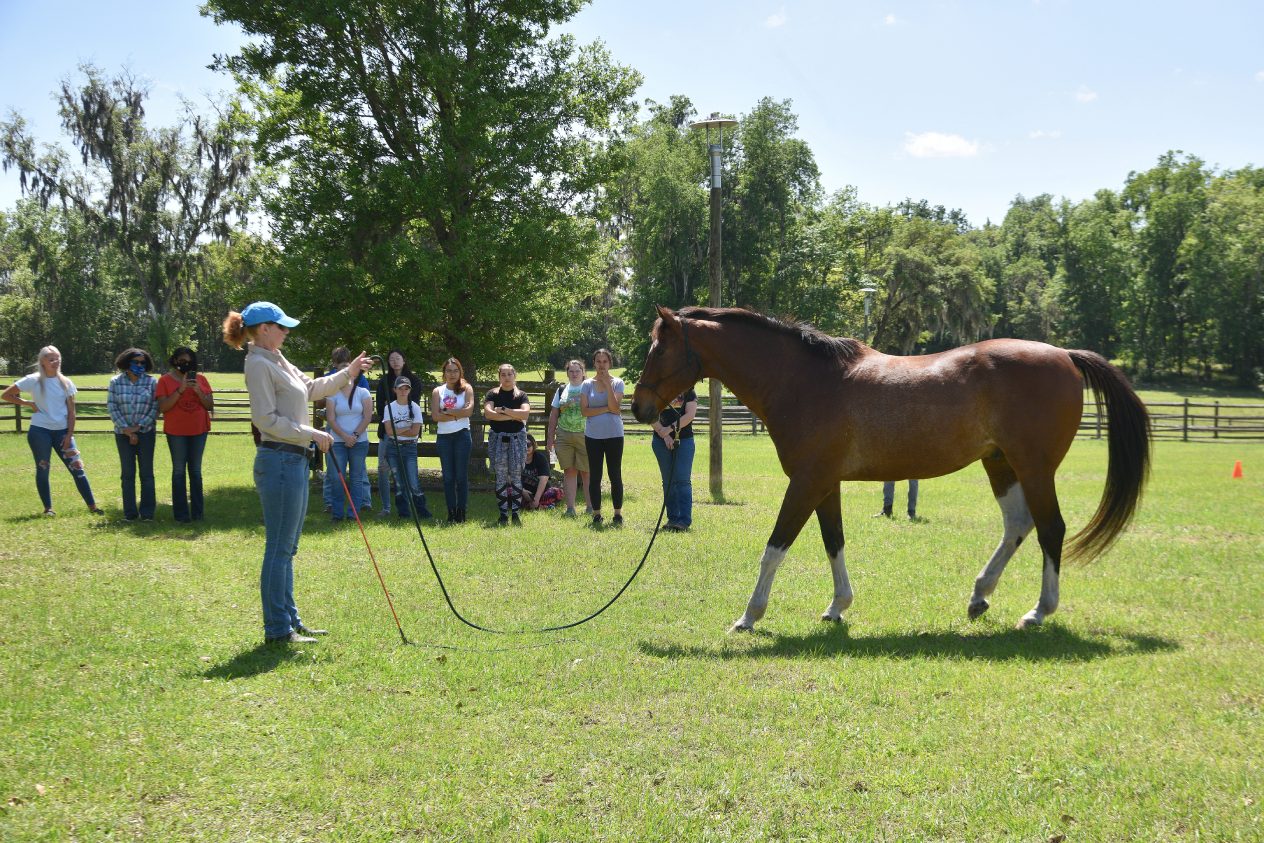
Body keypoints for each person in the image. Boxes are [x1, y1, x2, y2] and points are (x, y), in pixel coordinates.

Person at [223, 301, 371, 645]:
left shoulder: (277, 358)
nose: (287, 332)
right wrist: (313, 433)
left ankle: (290, 620)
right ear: (263, 329)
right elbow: (266, 420)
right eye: (281, 327)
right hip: (278, 461)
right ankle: (277, 629)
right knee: (278, 548)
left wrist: (348, 373)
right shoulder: (258, 364)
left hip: (293, 460)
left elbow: (312, 388)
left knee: (287, 548)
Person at [1, 346, 105, 517]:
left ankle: (93, 507)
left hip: (62, 432)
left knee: (77, 468)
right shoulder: (32, 380)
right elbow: (6, 395)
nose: (55, 362)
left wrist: (69, 435)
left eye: (58, 359)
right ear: (42, 361)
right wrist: (28, 403)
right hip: (40, 432)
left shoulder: (66, 382)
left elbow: (72, 412)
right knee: (43, 469)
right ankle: (48, 509)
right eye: (51, 359)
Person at [154, 346, 214, 523]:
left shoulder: (201, 379)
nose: (185, 364)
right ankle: (181, 515)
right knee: (179, 471)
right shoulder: (164, 380)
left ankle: (197, 514)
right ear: (174, 361)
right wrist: (180, 390)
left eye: (188, 361)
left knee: (195, 471)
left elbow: (209, 405)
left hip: (199, 431)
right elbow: (163, 407)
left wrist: (198, 391)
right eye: (181, 361)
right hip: (176, 432)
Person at [107, 347, 158, 521]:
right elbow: (112, 407)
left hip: (146, 433)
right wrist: (126, 429)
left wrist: (139, 427)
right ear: (126, 363)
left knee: (146, 473)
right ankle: (130, 513)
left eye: (142, 362)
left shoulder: (152, 383)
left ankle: (147, 513)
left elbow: (155, 408)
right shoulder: (115, 382)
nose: (139, 365)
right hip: (122, 434)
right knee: (127, 474)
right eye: (135, 362)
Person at [375, 350, 424, 518]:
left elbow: (413, 405)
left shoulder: (414, 380)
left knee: (409, 474)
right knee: (383, 468)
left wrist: (399, 424)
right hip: (387, 433)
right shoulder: (384, 381)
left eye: (398, 358)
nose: (395, 362)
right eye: (391, 359)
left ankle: (413, 508)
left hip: (409, 437)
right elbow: (380, 406)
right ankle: (386, 507)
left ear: (404, 360)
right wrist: (395, 420)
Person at [324, 358, 374, 521]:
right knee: (336, 478)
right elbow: (331, 418)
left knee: (356, 478)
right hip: (337, 442)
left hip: (359, 443)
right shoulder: (332, 394)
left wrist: (355, 436)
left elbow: (367, 417)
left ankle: (354, 514)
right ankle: (337, 514)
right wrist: (345, 436)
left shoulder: (363, 393)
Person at [580, 348, 625, 527]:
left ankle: (617, 513)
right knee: (595, 475)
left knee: (615, 474)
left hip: (614, 435)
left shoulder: (618, 383)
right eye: (598, 361)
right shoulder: (587, 384)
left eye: (604, 361)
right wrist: (606, 408)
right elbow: (584, 411)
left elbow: (616, 407)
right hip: (593, 436)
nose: (601, 365)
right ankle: (597, 513)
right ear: (594, 364)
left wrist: (607, 385)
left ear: (610, 363)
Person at [483, 363, 530, 526]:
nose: (507, 377)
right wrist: (513, 415)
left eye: (510, 374)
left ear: (515, 375)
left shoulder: (521, 395)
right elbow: (489, 414)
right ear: (499, 377)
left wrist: (503, 410)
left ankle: (516, 513)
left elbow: (525, 413)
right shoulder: (492, 394)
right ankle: (503, 514)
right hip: (498, 440)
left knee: (516, 475)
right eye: (503, 374)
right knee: (501, 476)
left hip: (517, 440)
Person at [381, 376, 432, 519]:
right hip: (393, 448)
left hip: (410, 448)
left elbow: (415, 432)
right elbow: (389, 431)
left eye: (406, 388)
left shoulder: (415, 407)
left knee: (413, 481)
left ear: (410, 390)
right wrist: (406, 427)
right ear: (394, 390)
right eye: (400, 388)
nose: (403, 391)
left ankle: (422, 510)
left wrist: (399, 428)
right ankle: (403, 513)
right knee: (398, 482)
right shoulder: (389, 408)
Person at [545, 359, 591, 517]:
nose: (574, 374)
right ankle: (570, 509)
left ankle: (591, 507)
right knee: (569, 471)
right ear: (567, 373)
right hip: (564, 435)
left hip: (586, 434)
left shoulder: (590, 387)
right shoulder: (561, 390)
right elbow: (554, 414)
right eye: (571, 371)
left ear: (583, 372)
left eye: (577, 371)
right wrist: (550, 437)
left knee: (587, 472)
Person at [432, 357, 474, 523]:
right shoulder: (438, 391)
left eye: (455, 370)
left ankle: (461, 512)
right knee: (448, 477)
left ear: (460, 372)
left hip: (462, 436)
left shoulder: (467, 389)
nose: (452, 374)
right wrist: (457, 413)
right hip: (444, 438)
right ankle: (451, 512)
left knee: (461, 477)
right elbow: (435, 416)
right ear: (444, 373)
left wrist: (447, 412)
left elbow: (468, 411)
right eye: (448, 371)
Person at [650, 388, 698, 532]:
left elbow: (690, 415)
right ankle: (672, 519)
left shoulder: (689, 391)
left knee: (682, 480)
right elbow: (650, 414)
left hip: (684, 440)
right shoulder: (657, 388)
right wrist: (663, 434)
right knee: (668, 481)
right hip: (660, 441)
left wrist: (669, 429)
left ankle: (684, 520)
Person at [521, 434, 563, 510]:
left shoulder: (540, 458)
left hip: (541, 492)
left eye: (528, 444)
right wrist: (522, 491)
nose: (526, 447)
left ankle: (533, 505)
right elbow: (509, 477)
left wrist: (536, 499)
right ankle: (542, 506)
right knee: (509, 491)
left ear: (533, 445)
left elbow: (544, 480)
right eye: (522, 445)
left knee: (557, 492)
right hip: (523, 492)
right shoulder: (515, 459)